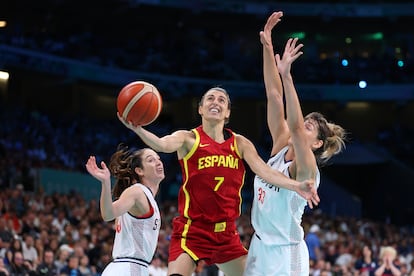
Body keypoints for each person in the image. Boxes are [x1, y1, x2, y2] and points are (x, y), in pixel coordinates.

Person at [119, 77, 318, 275]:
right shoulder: (188, 139)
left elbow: (265, 171)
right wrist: (139, 130)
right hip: (192, 231)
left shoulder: (239, 143)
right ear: (201, 109)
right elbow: (161, 145)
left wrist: (295, 186)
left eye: (221, 100)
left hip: (226, 234)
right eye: (210, 99)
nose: (216, 102)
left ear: (227, 113)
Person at [244, 11, 346, 276]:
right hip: (259, 245)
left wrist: (288, 75)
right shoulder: (280, 145)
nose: (303, 125)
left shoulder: (307, 168)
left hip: (286, 252)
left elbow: (298, 130)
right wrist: (267, 46)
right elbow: (273, 94)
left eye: (311, 126)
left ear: (317, 144)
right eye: (306, 120)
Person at [85, 144, 165, 276]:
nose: (158, 162)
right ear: (139, 171)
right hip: (128, 268)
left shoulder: (145, 197)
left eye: (158, 159)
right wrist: (105, 182)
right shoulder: (137, 192)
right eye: (151, 160)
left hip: (128, 268)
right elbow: (108, 214)